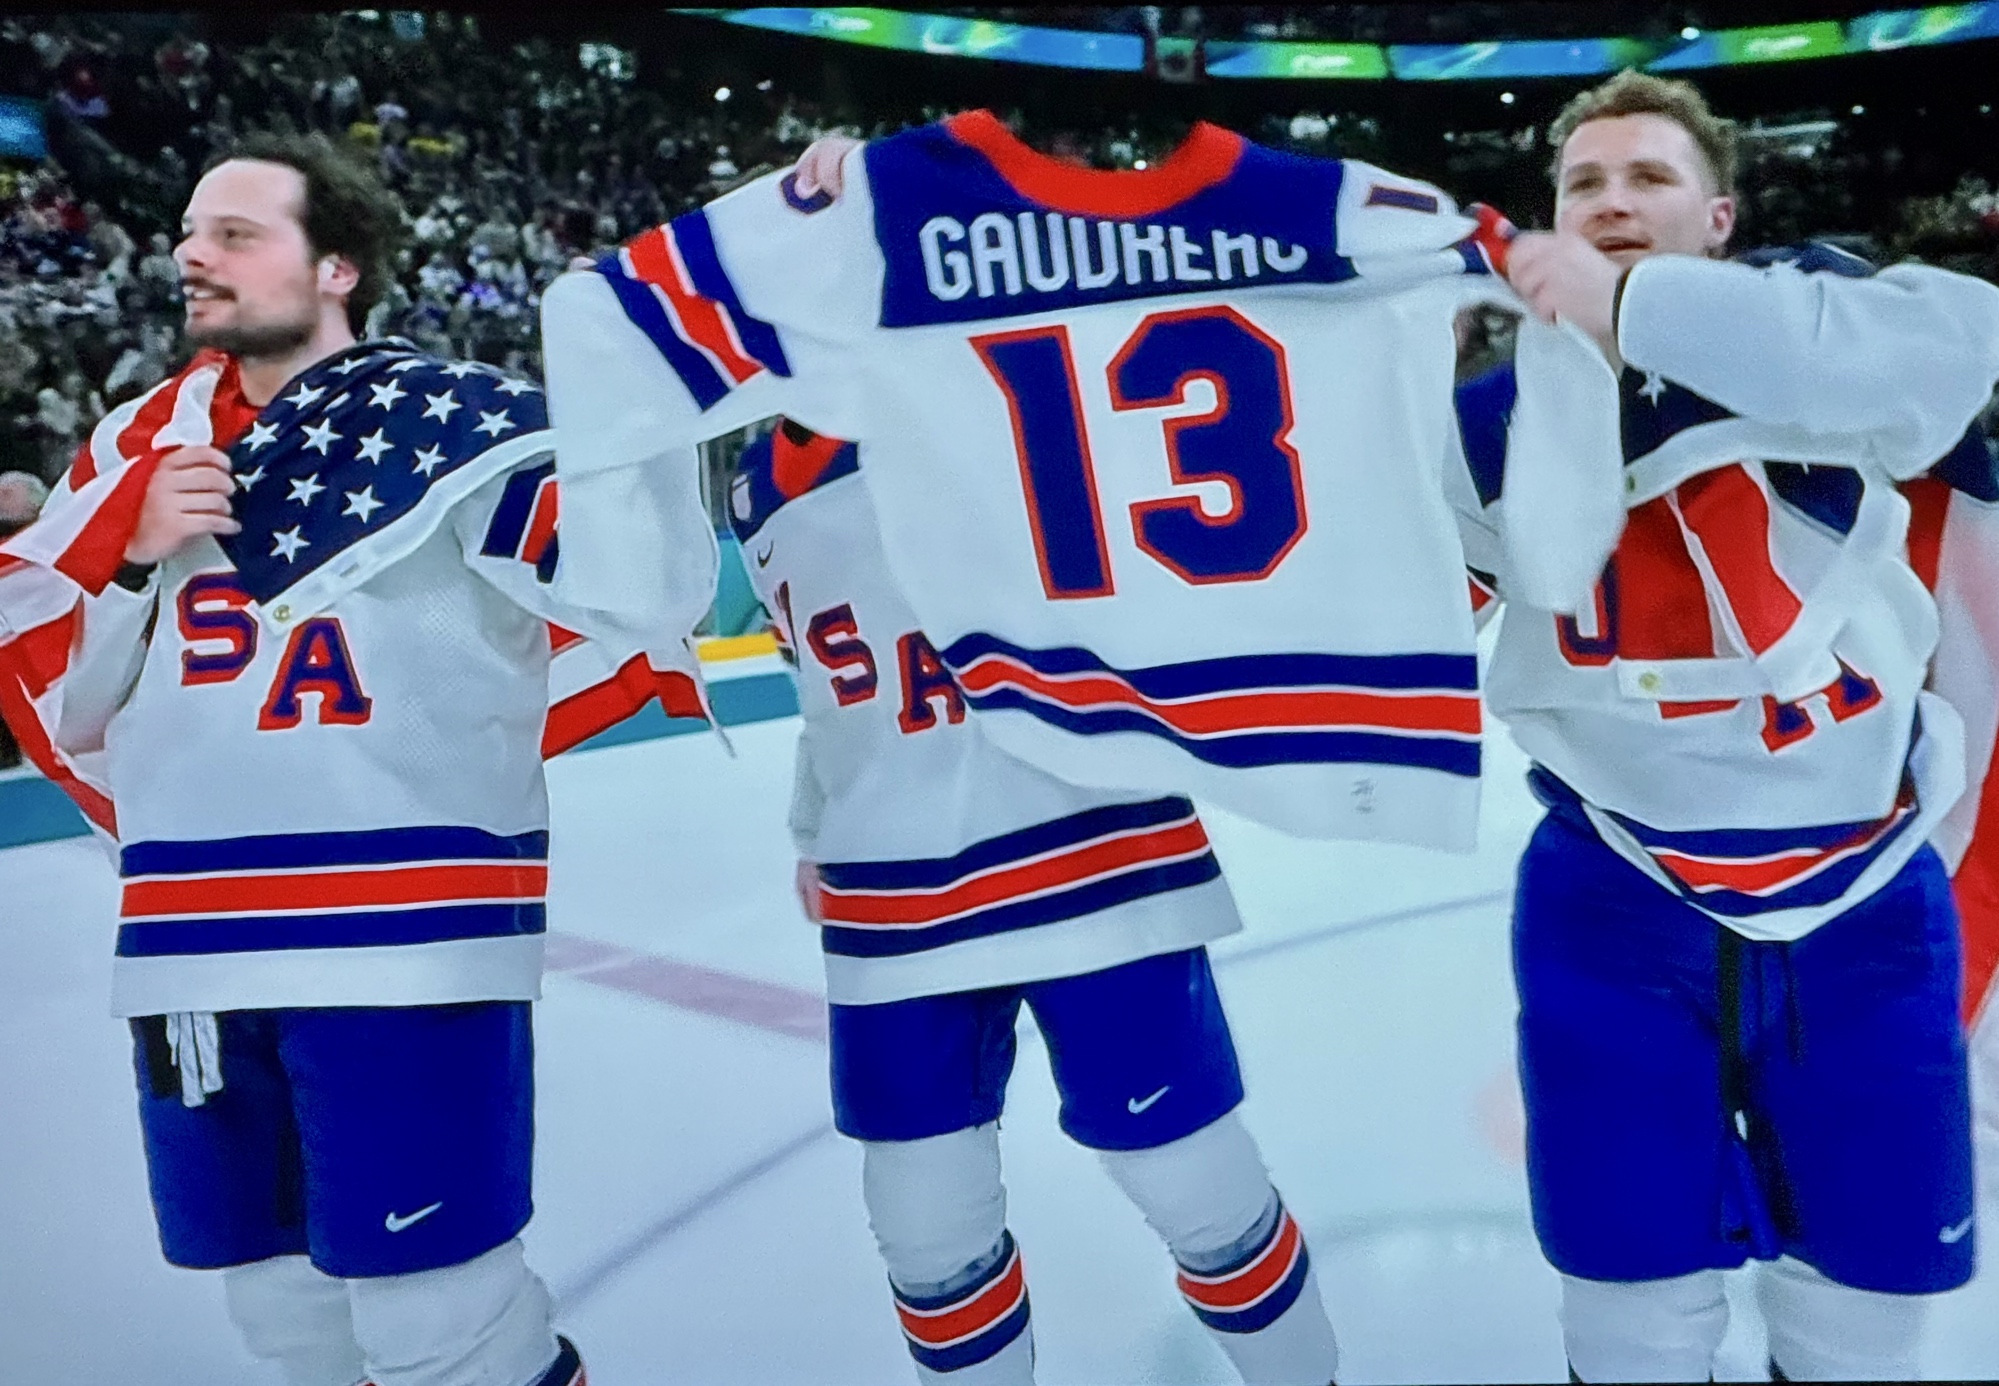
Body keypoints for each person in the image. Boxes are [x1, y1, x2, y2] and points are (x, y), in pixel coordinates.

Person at [0, 131, 699, 1386]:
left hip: (400, 936)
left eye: (235, 233)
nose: (191, 254)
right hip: (192, 946)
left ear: (338, 267)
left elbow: (640, 592)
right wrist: (125, 551)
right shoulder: (131, 449)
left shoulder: (458, 425)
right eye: (188, 232)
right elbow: (71, 699)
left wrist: (641, 402)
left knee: (442, 1323)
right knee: (282, 1317)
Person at [1460, 70, 1999, 1382]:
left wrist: (1628, 306)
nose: (1610, 200)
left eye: (1647, 176)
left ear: (1719, 220)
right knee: (1627, 1314)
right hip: (1612, 893)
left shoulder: (1828, 322)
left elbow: (1954, 347)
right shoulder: (1483, 415)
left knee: (1863, 1315)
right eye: (1582, 185)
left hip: (1863, 893)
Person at [729, 418, 1340, 1385]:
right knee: (926, 1227)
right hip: (889, 882)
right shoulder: (755, 479)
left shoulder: (1000, 361)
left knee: (1194, 1179)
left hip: (1088, 837)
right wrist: (815, 822)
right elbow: (821, 685)